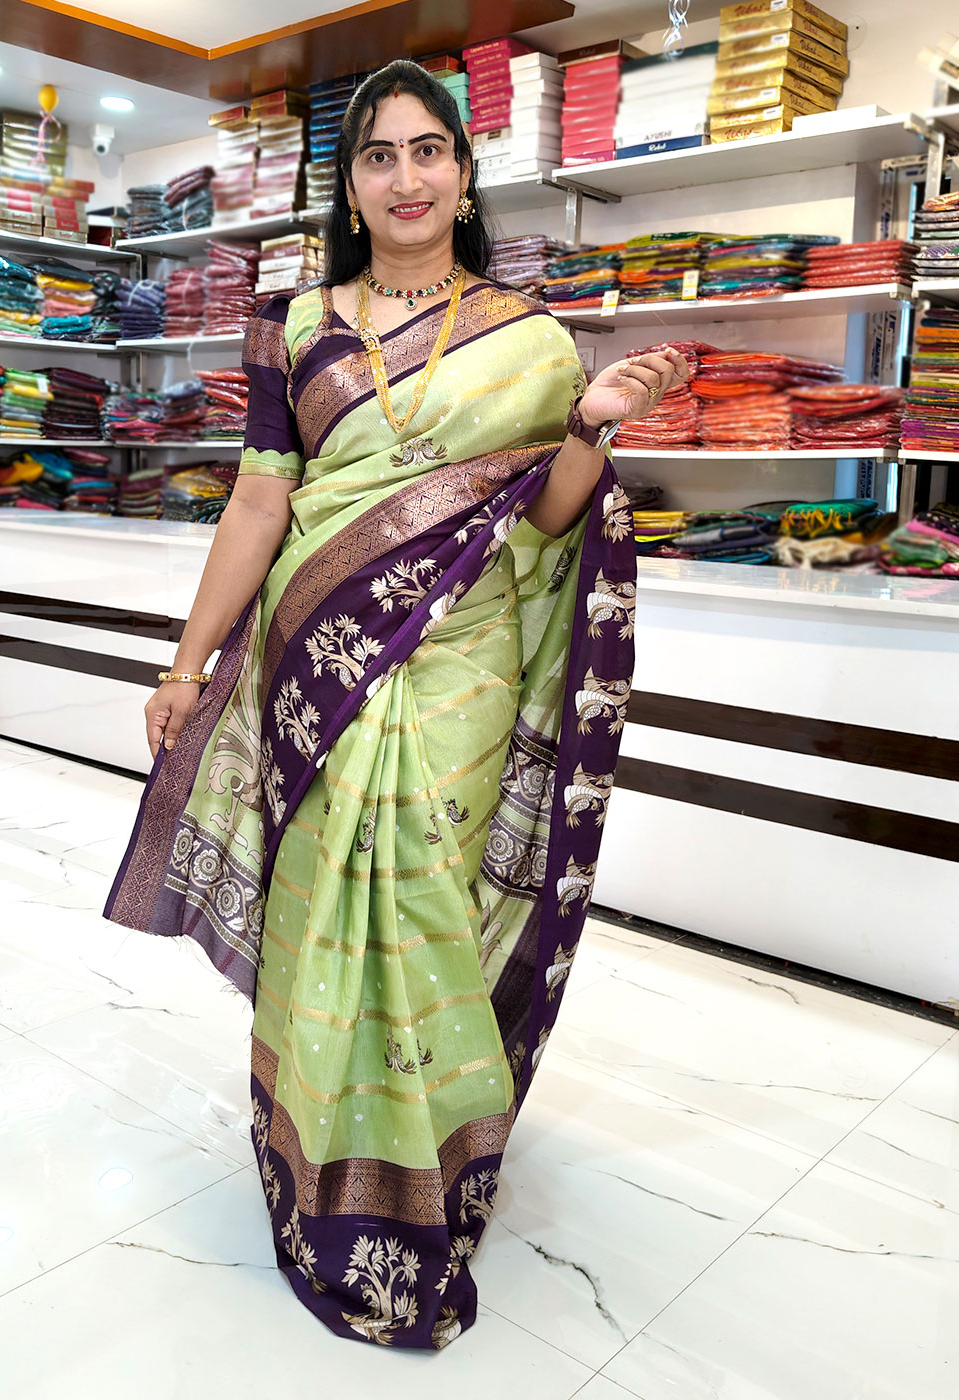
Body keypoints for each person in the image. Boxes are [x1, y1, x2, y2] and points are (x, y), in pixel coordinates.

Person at [104, 58, 687, 1350]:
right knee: (324, 899)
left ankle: (423, 1178)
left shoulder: (532, 340)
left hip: (467, 664)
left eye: (431, 151)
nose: (407, 176)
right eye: (381, 154)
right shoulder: (295, 324)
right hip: (318, 656)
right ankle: (313, 1161)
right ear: (352, 184)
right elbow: (262, 498)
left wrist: (592, 426)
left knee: (424, 892)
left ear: (464, 177)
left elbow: (549, 521)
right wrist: (186, 664)